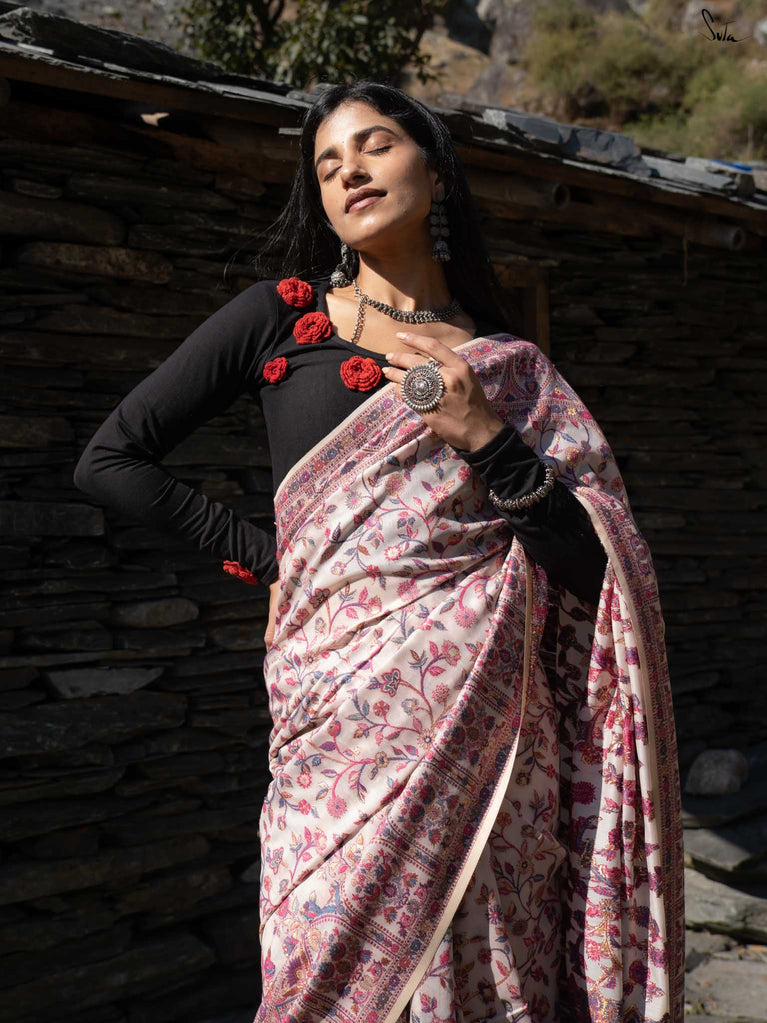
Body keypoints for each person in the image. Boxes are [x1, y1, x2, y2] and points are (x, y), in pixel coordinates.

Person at [73, 81, 684, 1023]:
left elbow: (595, 570)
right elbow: (111, 460)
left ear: (434, 175)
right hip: (336, 729)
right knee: (320, 968)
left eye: (373, 146)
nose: (348, 170)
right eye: (326, 164)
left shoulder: (510, 369)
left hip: (492, 745)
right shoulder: (278, 319)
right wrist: (271, 559)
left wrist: (488, 438)